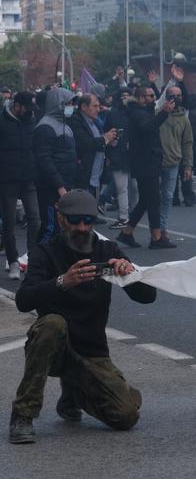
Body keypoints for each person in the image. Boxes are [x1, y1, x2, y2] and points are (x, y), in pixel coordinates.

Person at [9, 190, 156, 444]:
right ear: (61, 218)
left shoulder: (108, 250)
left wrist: (129, 275)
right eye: (75, 220)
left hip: (92, 351)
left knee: (126, 415)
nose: (81, 227)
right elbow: (23, 300)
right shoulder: (45, 252)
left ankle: (74, 395)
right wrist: (62, 281)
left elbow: (147, 297)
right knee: (52, 323)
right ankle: (23, 415)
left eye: (87, 221)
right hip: (55, 347)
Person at [116, 85, 174, 250]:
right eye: (149, 96)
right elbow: (148, 127)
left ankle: (127, 232)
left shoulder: (141, 111)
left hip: (147, 161)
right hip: (145, 162)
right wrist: (164, 113)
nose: (152, 98)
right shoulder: (137, 113)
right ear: (141, 98)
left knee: (146, 200)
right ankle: (156, 237)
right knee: (153, 200)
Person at [1, 92, 40, 280]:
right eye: (26, 108)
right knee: (9, 223)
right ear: (16, 105)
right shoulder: (2, 122)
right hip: (7, 179)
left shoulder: (32, 120)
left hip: (29, 178)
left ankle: (32, 259)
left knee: (35, 219)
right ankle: (13, 260)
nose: (29, 112)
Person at [33, 88, 78, 247]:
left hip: (64, 185)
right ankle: (38, 262)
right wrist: (59, 186)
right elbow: (45, 160)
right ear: (58, 103)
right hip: (51, 188)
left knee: (61, 228)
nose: (72, 106)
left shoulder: (65, 125)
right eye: (68, 103)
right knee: (50, 227)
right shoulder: (45, 127)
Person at [154, 86, 192, 248]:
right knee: (153, 198)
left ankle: (162, 230)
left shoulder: (184, 118)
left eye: (179, 96)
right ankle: (154, 230)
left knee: (167, 197)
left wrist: (188, 165)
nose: (176, 99)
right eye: (172, 96)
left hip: (173, 163)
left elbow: (187, 143)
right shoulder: (158, 113)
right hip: (155, 162)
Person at [68, 94, 117, 195]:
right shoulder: (76, 121)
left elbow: (98, 142)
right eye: (94, 106)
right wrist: (104, 139)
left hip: (96, 177)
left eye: (99, 106)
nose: (98, 109)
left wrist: (108, 141)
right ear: (84, 107)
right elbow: (85, 143)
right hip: (83, 177)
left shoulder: (95, 122)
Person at [102, 88, 133, 229]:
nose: (125, 99)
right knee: (122, 187)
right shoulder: (113, 114)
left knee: (134, 186)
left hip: (132, 154)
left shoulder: (135, 113)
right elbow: (106, 132)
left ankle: (128, 214)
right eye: (123, 96)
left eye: (128, 96)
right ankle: (124, 216)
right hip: (118, 154)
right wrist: (111, 142)